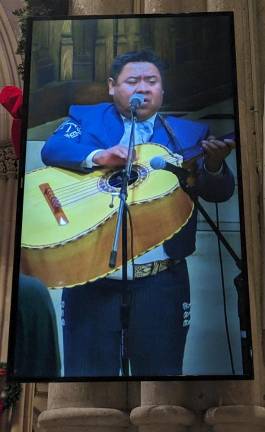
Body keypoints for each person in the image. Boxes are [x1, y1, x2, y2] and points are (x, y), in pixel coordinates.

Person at [41, 49, 235, 377]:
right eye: (132, 81)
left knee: (161, 382)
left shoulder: (188, 136)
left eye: (151, 81)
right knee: (87, 380)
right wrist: (100, 156)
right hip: (91, 278)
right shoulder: (86, 119)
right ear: (112, 87)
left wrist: (214, 166)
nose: (142, 88)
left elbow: (218, 192)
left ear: (163, 92)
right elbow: (52, 149)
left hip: (161, 281)